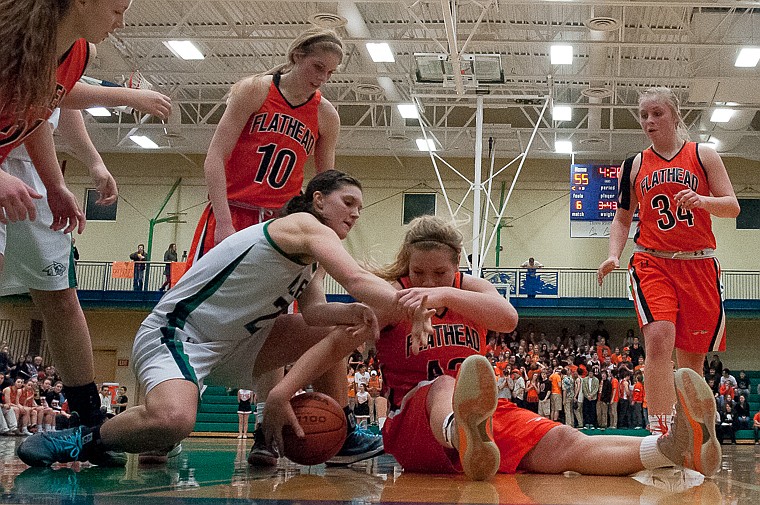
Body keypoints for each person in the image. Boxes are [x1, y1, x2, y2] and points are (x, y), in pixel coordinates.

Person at [16, 170, 425, 468]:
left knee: (343, 324)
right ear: (318, 200)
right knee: (174, 421)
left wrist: (354, 312)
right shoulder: (302, 226)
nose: (355, 214)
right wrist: (416, 304)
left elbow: (317, 313)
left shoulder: (310, 257)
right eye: (347, 203)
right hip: (176, 334)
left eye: (360, 208)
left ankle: (341, 432)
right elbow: (354, 277)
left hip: (232, 346)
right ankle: (85, 437)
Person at [373, 215, 722, 481]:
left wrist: (444, 294)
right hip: (411, 424)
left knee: (566, 443)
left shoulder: (467, 289)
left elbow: (508, 318)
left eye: (439, 273)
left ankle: (673, 449)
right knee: (444, 385)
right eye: (419, 273)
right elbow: (359, 323)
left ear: (457, 265)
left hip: (480, 420)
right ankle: (458, 430)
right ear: (407, 264)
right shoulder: (393, 291)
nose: (427, 282)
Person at [597, 86, 740, 435]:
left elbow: (732, 206)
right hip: (652, 261)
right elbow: (621, 218)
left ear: (675, 115)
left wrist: (703, 201)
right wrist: (614, 254)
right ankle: (660, 433)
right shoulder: (634, 165)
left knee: (691, 363)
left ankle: (693, 433)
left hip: (699, 264)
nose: (649, 121)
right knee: (659, 340)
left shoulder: (703, 154)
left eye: (656, 113)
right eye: (644, 115)